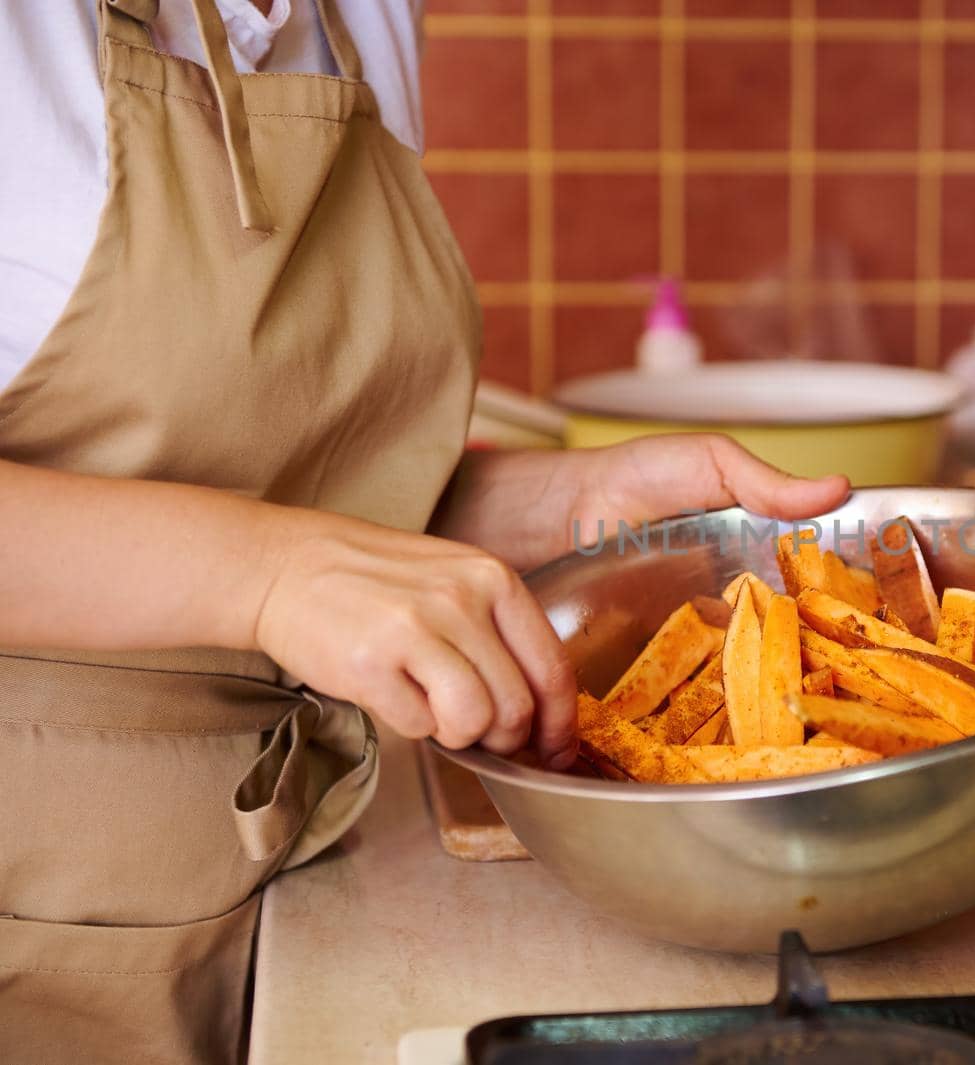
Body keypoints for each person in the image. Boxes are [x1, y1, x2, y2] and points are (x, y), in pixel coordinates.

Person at [0, 4, 849, 1063]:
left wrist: (563, 511)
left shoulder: (362, 18)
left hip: (283, 882)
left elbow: (277, 475)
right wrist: (269, 575)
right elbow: (271, 561)